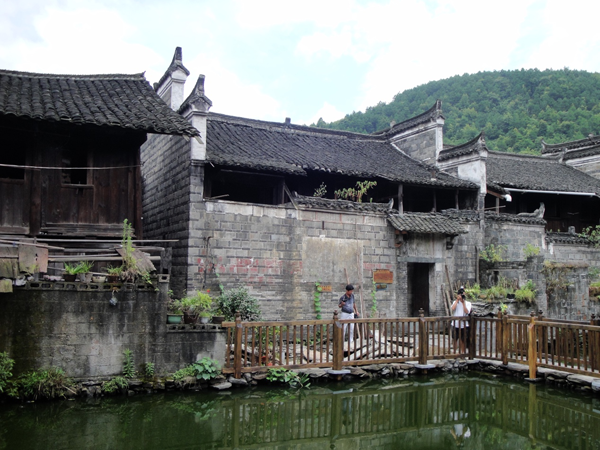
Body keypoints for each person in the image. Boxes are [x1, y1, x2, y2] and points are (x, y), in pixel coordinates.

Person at [451, 288, 471, 354]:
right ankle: (454, 353)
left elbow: (467, 311)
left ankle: (462, 353)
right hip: (455, 324)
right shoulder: (455, 302)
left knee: (463, 339)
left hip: (464, 324)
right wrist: (457, 300)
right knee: (454, 339)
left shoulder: (468, 303)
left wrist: (463, 303)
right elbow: (453, 308)